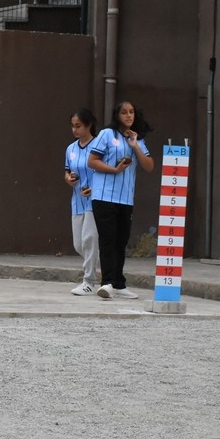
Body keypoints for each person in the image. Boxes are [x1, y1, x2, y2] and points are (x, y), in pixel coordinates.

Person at [88, 100, 155, 300]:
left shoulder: (138, 140)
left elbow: (149, 166)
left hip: (125, 199)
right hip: (103, 196)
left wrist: (135, 147)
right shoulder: (106, 135)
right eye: (124, 112)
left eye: (131, 112)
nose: (128, 116)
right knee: (108, 240)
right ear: (117, 115)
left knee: (121, 241)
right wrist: (114, 169)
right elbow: (92, 161)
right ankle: (107, 282)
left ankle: (118, 283)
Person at [64, 108, 99, 296]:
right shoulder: (70, 149)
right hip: (77, 200)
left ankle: (89, 281)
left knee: (90, 239)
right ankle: (110, 270)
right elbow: (67, 172)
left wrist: (94, 188)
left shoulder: (99, 146)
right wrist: (70, 179)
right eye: (73, 126)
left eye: (78, 126)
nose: (75, 130)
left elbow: (104, 171)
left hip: (95, 200)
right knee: (79, 244)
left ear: (89, 125)